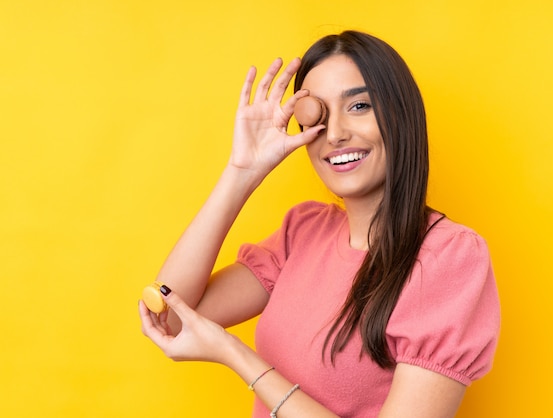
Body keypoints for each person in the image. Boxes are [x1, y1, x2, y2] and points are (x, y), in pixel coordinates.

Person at [139, 30, 500, 418]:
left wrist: (235, 354)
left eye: (359, 106)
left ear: (400, 113)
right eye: (320, 116)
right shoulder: (304, 230)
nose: (336, 133)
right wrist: (241, 172)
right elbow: (170, 315)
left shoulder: (450, 257)